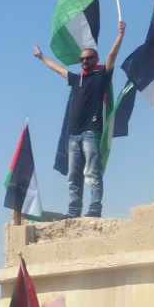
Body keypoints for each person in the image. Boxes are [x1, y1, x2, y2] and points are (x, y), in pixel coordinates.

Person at [34, 21, 126, 218]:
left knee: (92, 172)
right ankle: (74, 211)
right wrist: (42, 58)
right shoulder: (77, 79)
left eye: (88, 59)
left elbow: (112, 56)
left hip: (91, 132)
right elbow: (58, 69)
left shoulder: (101, 76)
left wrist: (120, 35)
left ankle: (94, 208)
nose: (84, 62)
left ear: (95, 59)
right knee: (72, 176)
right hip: (73, 135)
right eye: (82, 60)